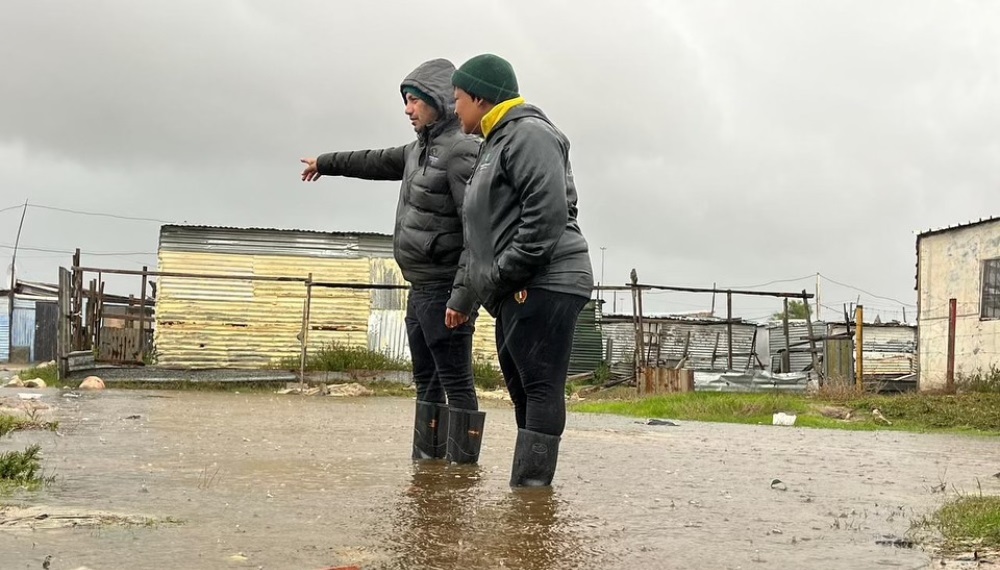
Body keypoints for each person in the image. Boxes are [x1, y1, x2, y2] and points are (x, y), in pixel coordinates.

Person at [300, 58, 485, 465]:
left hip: (444, 290)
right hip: (419, 288)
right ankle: (428, 468)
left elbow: (477, 232)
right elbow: (370, 159)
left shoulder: (461, 151)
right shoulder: (417, 150)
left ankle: (462, 473)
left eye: (415, 100)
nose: (407, 109)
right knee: (426, 382)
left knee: (456, 381)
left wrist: (462, 297)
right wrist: (325, 163)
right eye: (406, 100)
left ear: (439, 101)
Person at [451, 54, 594, 487]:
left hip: (545, 280)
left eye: (457, 98)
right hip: (518, 284)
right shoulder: (494, 142)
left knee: (538, 385)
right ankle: (529, 497)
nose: (454, 107)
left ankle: (533, 494)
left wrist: (501, 274)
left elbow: (546, 216)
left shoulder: (528, 134)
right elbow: (481, 231)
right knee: (522, 386)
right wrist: (474, 289)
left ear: (480, 97)